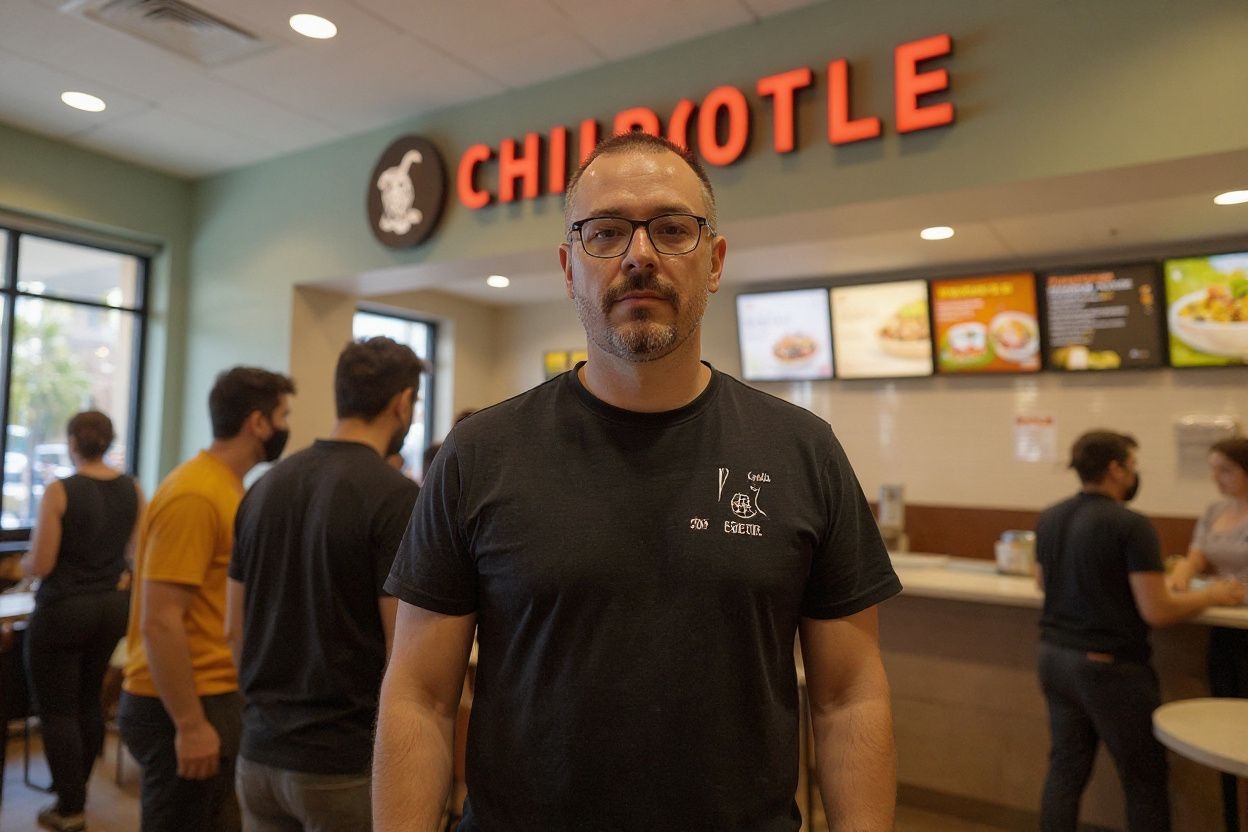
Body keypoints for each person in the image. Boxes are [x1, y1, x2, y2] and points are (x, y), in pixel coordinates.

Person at [374, 132, 902, 832]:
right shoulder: (479, 453)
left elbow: (848, 697)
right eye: (607, 232)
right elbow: (420, 695)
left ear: (713, 263)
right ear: (569, 267)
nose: (640, 255)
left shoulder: (804, 451)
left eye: (673, 229)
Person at [226, 337, 424, 831]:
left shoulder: (262, 488)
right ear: (402, 403)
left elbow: (234, 628)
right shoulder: (396, 497)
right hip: (342, 764)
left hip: (258, 758)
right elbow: (402, 648)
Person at [1035, 430, 1245, 832]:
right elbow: (1158, 609)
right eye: (1132, 465)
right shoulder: (1131, 525)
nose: (1135, 474)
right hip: (1108, 666)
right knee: (1144, 778)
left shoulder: (1051, 515)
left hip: (1053, 658)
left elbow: (1043, 583)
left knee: (1066, 770)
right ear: (1116, 469)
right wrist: (1212, 595)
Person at [119, 367, 295, 832]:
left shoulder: (227, 488)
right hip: (181, 700)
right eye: (283, 414)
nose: (286, 427)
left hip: (216, 693)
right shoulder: (195, 494)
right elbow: (160, 622)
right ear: (258, 422)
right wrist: (191, 723)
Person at [22, 411, 145, 832]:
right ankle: (79, 788)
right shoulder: (133, 488)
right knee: (89, 698)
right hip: (112, 607)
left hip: (64, 609)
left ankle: (69, 807)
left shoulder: (60, 491)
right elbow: (137, 553)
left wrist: (18, 565)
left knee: (56, 708)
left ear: (73, 441)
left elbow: (42, 562)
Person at [1166, 436, 1248, 832]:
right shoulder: (1216, 510)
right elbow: (1196, 555)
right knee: (1225, 727)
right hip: (1224, 628)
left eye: (1226, 470)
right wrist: (1182, 574)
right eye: (1213, 469)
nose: (1216, 478)